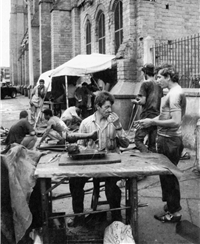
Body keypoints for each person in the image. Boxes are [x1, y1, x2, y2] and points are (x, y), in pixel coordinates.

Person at [69, 91, 129, 227]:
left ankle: (116, 217)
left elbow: (126, 144)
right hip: (90, 163)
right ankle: (78, 216)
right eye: (106, 107)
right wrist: (85, 150)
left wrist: (119, 127)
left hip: (110, 164)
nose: (110, 110)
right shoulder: (86, 123)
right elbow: (80, 146)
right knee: (74, 182)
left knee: (111, 187)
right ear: (97, 106)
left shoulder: (114, 122)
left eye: (110, 107)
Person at [137, 64, 186, 223]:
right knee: (167, 176)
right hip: (168, 140)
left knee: (169, 177)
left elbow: (176, 121)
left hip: (170, 141)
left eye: (159, 77)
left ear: (168, 77)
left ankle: (174, 212)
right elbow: (166, 117)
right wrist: (150, 122)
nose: (157, 80)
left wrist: (151, 120)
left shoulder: (174, 94)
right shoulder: (172, 92)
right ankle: (171, 205)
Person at [132, 63, 163, 152]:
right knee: (152, 145)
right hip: (156, 116)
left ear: (145, 73)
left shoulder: (145, 84)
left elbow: (143, 101)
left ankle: (147, 157)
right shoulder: (159, 84)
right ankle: (153, 160)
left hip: (146, 115)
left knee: (138, 140)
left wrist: (135, 101)